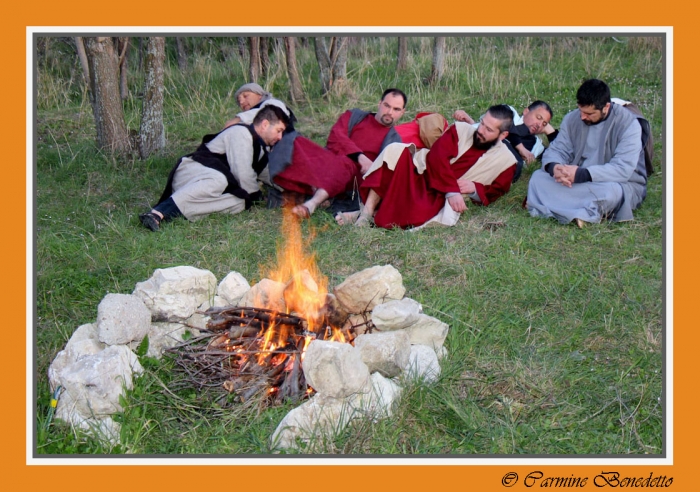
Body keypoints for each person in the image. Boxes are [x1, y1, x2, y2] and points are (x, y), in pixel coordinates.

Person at [336, 104, 516, 230]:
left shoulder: (507, 162)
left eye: (489, 130)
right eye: (482, 123)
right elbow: (437, 156)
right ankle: (366, 214)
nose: (481, 131)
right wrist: (451, 191)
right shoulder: (461, 129)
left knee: (420, 211)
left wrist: (475, 189)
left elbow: (497, 191)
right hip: (424, 171)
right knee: (394, 152)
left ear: (503, 135)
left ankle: (370, 213)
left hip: (437, 196)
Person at [138, 105, 290, 232]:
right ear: (265, 124)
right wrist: (257, 196)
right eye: (279, 130)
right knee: (220, 180)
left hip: (212, 188)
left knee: (240, 202)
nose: (280, 137)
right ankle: (157, 213)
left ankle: (177, 212)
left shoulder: (260, 151)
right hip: (193, 173)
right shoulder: (241, 133)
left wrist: (295, 189)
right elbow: (243, 174)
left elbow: (270, 175)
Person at [266, 88, 407, 218]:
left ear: (402, 112)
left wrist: (360, 163)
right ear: (379, 103)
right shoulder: (354, 116)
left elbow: (386, 174)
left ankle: (312, 204)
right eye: (387, 106)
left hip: (354, 178)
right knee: (296, 141)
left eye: (396, 109)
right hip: (328, 163)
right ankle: (315, 189)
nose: (389, 112)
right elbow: (336, 136)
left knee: (346, 164)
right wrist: (360, 156)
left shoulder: (394, 142)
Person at [526, 79, 647, 227]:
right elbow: (557, 149)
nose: (583, 117)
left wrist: (582, 174)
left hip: (614, 183)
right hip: (576, 181)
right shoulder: (572, 118)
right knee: (538, 178)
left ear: (606, 107)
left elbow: (623, 169)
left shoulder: (629, 125)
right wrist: (555, 168)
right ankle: (580, 212)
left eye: (589, 113)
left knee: (611, 193)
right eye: (581, 110)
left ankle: (555, 207)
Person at [454, 100, 558, 182]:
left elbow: (559, 153)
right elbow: (506, 128)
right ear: (526, 111)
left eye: (544, 123)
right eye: (538, 117)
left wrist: (551, 132)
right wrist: (521, 148)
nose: (539, 124)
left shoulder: (536, 146)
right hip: (472, 144)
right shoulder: (510, 112)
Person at [223, 83, 296, 131]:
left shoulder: (273, 102)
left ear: (259, 95)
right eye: (239, 101)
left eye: (245, 96)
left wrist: (238, 119)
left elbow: (267, 112)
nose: (241, 102)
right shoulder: (250, 118)